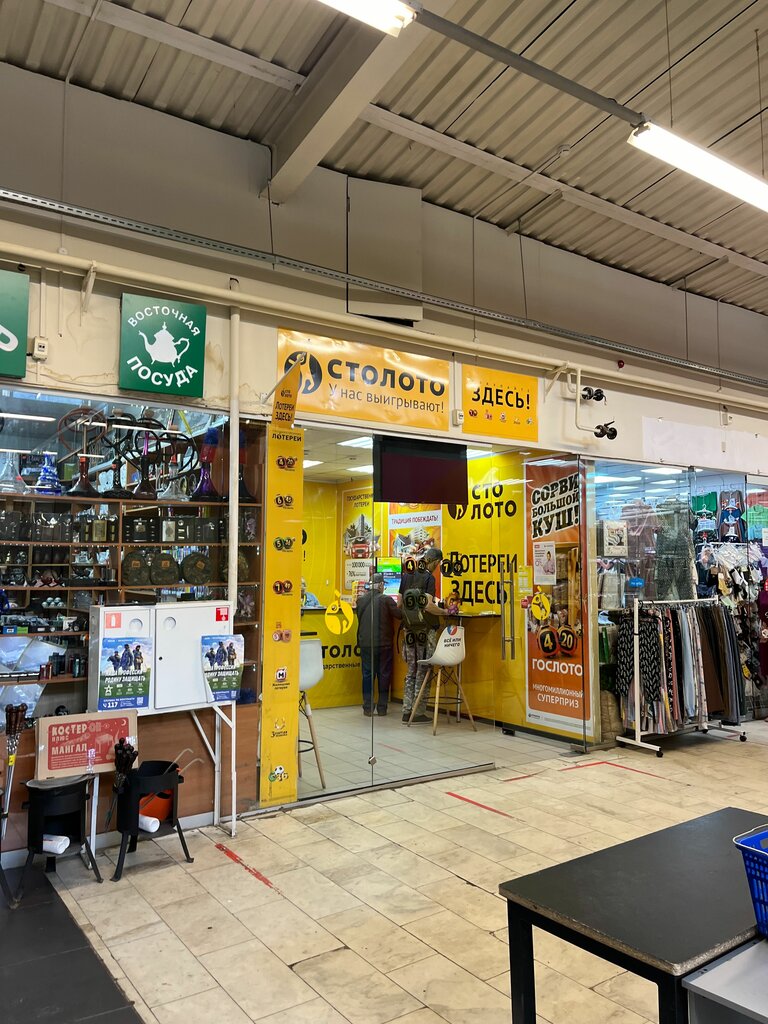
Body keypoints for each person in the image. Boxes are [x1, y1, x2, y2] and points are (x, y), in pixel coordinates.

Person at [399, 547, 447, 724]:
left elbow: (399, 603)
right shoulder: (428, 578)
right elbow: (427, 605)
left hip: (408, 629)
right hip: (425, 632)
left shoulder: (407, 575)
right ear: (435, 562)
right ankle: (418, 712)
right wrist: (445, 611)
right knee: (424, 669)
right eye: (438, 564)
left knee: (411, 668)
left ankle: (406, 710)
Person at [356, 572, 401, 717]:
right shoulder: (386, 600)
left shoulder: (360, 600)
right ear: (381, 585)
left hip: (365, 643)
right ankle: (382, 708)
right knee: (384, 675)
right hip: (383, 644)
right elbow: (399, 615)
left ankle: (367, 707)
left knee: (367, 675)